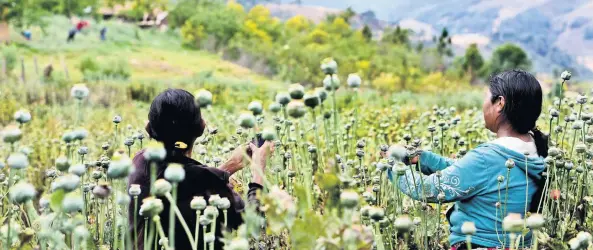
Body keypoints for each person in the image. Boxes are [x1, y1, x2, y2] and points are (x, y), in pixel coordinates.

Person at [391, 70, 546, 249]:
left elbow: (428, 189)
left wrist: (392, 166)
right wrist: (425, 159)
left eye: (485, 97)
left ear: (500, 103)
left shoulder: (487, 158)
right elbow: (471, 174)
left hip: (477, 244)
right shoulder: (537, 149)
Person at [128, 89, 272, 250]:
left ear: (148, 127)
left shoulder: (139, 162)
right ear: (202, 127)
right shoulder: (211, 189)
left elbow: (184, 184)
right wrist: (258, 170)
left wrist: (229, 166)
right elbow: (252, 222)